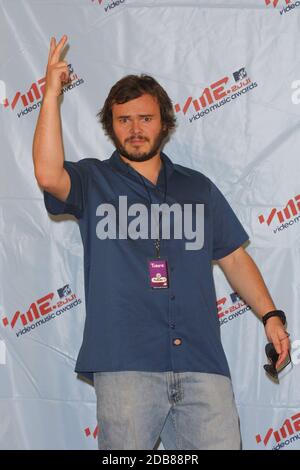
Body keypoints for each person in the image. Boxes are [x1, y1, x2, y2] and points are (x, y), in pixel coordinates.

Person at [32, 35, 291, 450]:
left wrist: (271, 315)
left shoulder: (197, 187)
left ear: (164, 122)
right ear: (111, 126)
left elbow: (234, 258)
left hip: (201, 364)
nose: (135, 129)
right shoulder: (92, 180)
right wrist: (50, 93)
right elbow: (48, 174)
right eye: (124, 120)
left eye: (146, 118)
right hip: (125, 366)